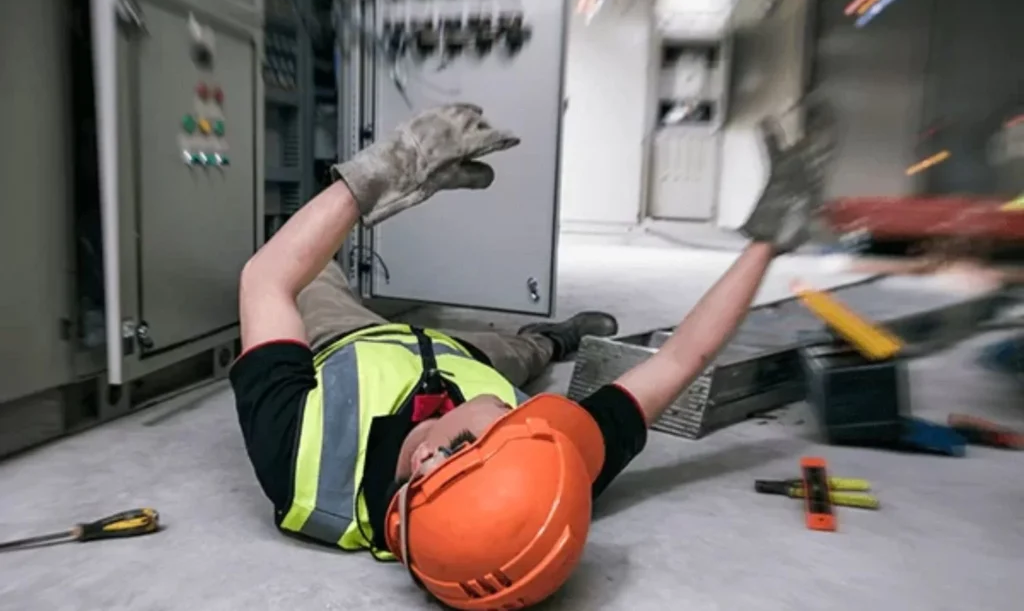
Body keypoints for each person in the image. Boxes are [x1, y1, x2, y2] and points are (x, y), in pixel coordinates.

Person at [230, 102, 836, 610]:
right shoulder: (544, 479)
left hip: (348, 343)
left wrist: (382, 173)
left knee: (299, 267)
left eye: (506, 423)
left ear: (432, 459)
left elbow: (264, 279)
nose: (524, 413)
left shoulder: (299, 459)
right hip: (463, 358)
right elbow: (679, 360)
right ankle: (555, 336)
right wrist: (767, 243)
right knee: (520, 355)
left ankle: (540, 339)